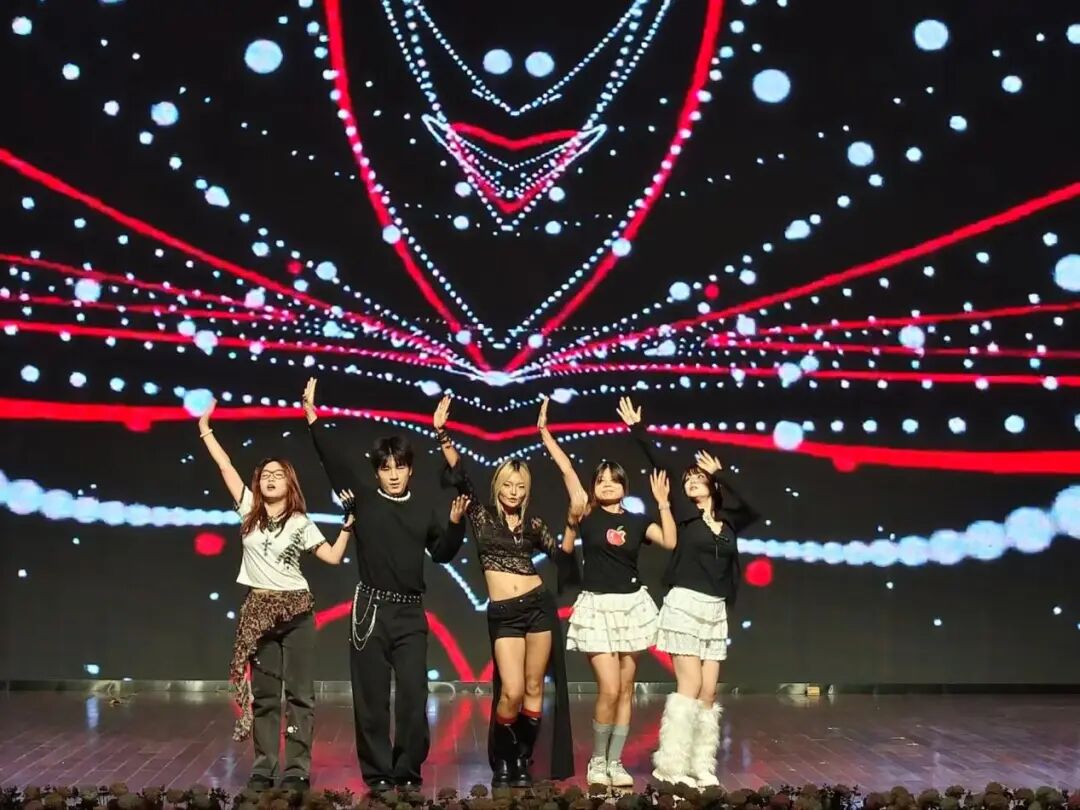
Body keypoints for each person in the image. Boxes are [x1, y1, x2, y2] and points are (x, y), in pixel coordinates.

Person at [301, 378, 468, 792]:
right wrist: (313, 418)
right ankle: (377, 774)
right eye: (385, 467)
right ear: (377, 471)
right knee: (371, 699)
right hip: (370, 612)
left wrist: (454, 524)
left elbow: (443, 553)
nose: (393, 474)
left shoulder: (423, 509)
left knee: (413, 695)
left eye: (399, 466)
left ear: (410, 468)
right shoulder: (363, 499)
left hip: (410, 613)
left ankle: (407, 771)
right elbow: (334, 462)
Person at [197, 398, 355, 792]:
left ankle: (297, 768)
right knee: (266, 695)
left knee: (300, 695)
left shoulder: (301, 521)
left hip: (297, 612)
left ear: (289, 483)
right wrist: (205, 430)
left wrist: (347, 529)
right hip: (259, 612)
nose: (269, 479)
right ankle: (264, 766)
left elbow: (332, 557)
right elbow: (226, 467)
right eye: (265, 474)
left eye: (277, 474)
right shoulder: (248, 510)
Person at [619, 397, 761, 788]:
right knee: (690, 686)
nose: (691, 482)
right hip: (684, 605)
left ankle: (702, 765)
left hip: (714, 611)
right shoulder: (686, 517)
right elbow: (660, 464)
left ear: (712, 485)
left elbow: (750, 509)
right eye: (688, 480)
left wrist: (721, 473)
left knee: (709, 693)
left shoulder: (728, 523)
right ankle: (671, 766)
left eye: (698, 478)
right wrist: (637, 430)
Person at [433, 395, 575, 787]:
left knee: (533, 688)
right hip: (505, 614)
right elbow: (460, 473)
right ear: (498, 486)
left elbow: (562, 558)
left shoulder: (534, 525)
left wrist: (572, 525)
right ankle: (504, 759)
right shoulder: (481, 516)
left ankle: (522, 760)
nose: (514, 491)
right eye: (508, 484)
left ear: (527, 491)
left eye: (520, 486)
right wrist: (442, 433)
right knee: (510, 691)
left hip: (539, 607)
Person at [539, 396, 676, 788]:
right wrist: (545, 433)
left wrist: (664, 504)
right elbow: (567, 469)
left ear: (624, 486)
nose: (608, 484)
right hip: (598, 607)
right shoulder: (586, 513)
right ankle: (597, 761)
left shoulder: (638, 521)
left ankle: (615, 762)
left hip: (632, 607)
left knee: (627, 689)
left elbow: (670, 541)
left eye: (614, 479)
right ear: (594, 487)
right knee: (610, 687)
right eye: (601, 480)